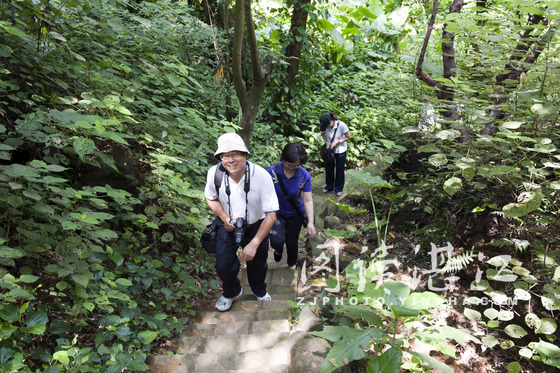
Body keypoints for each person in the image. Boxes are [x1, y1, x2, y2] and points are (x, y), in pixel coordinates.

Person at [204, 133, 279, 312]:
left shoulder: (261, 176)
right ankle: (231, 291)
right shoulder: (215, 173)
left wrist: (254, 244)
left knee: (258, 263)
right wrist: (224, 218)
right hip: (228, 224)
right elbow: (210, 198)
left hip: (256, 225)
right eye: (225, 155)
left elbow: (271, 215)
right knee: (223, 265)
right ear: (221, 158)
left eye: (235, 154)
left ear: (245, 155)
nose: (231, 160)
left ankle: (259, 290)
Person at [267, 143, 317, 269]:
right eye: (289, 165)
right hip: (276, 213)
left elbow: (307, 200)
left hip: (295, 214)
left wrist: (310, 222)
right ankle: (278, 250)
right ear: (284, 159)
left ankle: (292, 265)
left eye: (296, 166)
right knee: (276, 241)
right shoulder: (272, 172)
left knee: (292, 242)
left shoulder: (304, 175)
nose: (292, 168)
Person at [320, 112, 351, 196]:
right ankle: (329, 186)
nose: (325, 128)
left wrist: (338, 141)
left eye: (326, 126)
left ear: (330, 122)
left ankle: (339, 188)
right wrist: (327, 143)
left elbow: (348, 136)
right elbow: (323, 134)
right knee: (329, 168)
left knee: (339, 170)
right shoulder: (324, 124)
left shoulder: (342, 125)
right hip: (330, 151)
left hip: (341, 151)